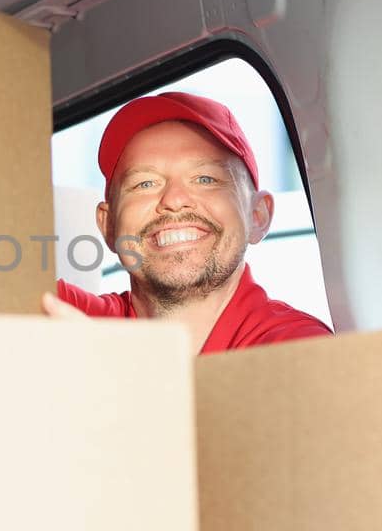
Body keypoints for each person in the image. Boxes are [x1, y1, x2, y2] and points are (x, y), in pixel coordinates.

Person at [44, 91, 331, 355]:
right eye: (145, 183)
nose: (174, 199)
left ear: (257, 216)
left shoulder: (297, 350)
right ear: (107, 226)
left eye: (205, 179)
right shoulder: (68, 315)